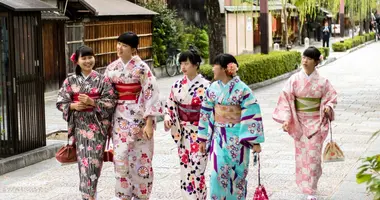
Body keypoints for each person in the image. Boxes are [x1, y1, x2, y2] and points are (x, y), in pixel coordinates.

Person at [272, 47, 337, 200]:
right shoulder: (294, 79)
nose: (305, 61)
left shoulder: (323, 81)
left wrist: (328, 107)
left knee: (314, 157)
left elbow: (331, 97)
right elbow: (286, 99)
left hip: (317, 122)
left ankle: (312, 188)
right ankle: (306, 187)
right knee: (302, 156)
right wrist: (287, 120)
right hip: (299, 122)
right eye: (303, 57)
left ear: (316, 62)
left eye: (308, 58)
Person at [104, 32, 163, 200]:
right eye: (118, 44)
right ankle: (123, 195)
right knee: (121, 158)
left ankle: (141, 195)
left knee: (141, 158)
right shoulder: (111, 68)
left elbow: (151, 94)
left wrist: (149, 123)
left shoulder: (142, 68)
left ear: (134, 49)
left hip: (139, 118)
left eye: (124, 45)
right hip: (119, 118)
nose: (119, 48)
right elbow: (106, 94)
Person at [197, 53, 265, 200]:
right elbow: (205, 113)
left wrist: (254, 141)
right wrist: (202, 138)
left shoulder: (243, 89)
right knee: (216, 175)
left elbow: (252, 112)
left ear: (225, 69)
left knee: (237, 176)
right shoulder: (212, 89)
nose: (212, 69)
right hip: (218, 136)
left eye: (215, 65)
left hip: (238, 138)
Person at [56, 45, 117, 200]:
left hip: (97, 128)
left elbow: (111, 101)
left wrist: (93, 102)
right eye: (84, 58)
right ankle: (88, 196)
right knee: (84, 165)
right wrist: (73, 105)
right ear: (77, 61)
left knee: (94, 164)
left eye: (90, 57)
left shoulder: (103, 80)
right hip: (79, 128)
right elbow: (60, 101)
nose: (88, 61)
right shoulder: (70, 81)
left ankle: (89, 195)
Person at [164, 48, 209, 200]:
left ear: (196, 65)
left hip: (200, 132)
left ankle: (200, 197)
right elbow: (170, 106)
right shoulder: (177, 85)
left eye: (186, 63)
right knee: (185, 168)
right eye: (181, 63)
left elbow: (212, 111)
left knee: (197, 167)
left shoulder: (206, 86)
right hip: (183, 133)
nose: (183, 67)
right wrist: (167, 117)